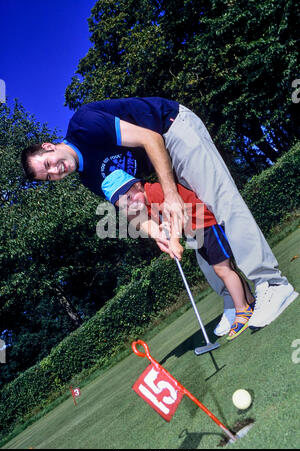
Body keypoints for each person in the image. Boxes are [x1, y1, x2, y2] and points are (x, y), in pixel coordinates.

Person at [20, 97, 298, 331]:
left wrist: (173, 196)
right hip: (159, 159)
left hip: (172, 130)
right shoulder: (88, 177)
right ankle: (234, 300)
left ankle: (271, 283)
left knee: (221, 201)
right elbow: (128, 206)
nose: (56, 171)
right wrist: (156, 233)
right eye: (48, 177)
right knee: (191, 228)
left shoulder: (84, 124)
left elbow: (149, 138)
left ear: (48, 146)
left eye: (49, 163)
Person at [101, 169, 256, 340]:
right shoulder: (145, 202)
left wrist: (174, 240)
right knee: (223, 269)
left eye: (129, 197)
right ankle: (249, 302)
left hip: (205, 224)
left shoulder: (155, 191)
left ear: (137, 185)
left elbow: (175, 214)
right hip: (196, 231)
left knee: (223, 270)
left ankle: (242, 310)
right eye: (124, 204)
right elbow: (160, 222)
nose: (130, 205)